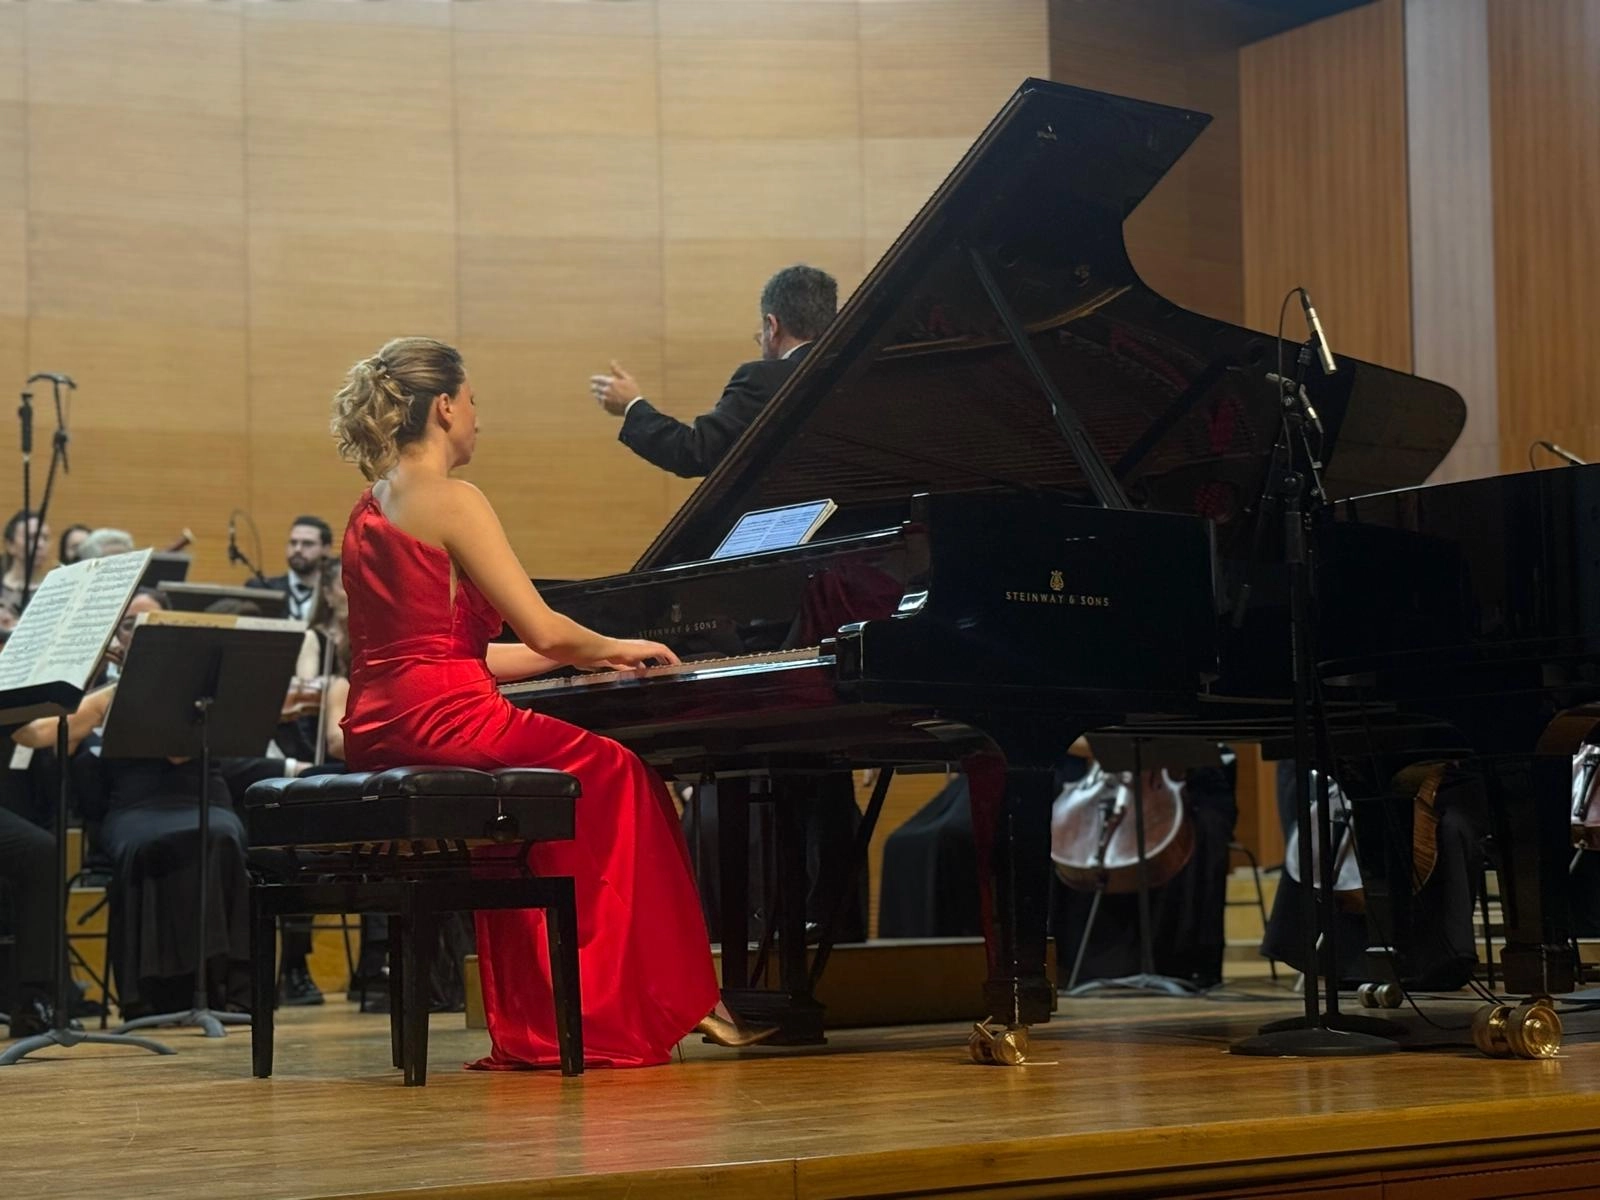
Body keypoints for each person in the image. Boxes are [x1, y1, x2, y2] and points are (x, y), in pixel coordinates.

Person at [331, 336, 767, 1068]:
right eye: (474, 401)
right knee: (622, 775)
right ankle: (663, 1000)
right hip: (448, 722)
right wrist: (614, 644)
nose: (478, 417)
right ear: (444, 407)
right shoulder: (455, 499)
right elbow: (544, 628)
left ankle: (548, 1015)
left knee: (537, 811)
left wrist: (590, 656)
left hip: (381, 725)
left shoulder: (369, 507)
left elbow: (450, 654)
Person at [591, 263, 837, 477]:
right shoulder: (846, 375)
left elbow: (695, 452)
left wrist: (631, 405)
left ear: (772, 326)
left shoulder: (763, 378)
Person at [253, 516, 333, 622]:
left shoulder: (336, 593)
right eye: (293, 543)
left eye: (307, 544)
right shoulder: (262, 589)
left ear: (326, 549)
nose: (297, 549)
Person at [0, 510, 51, 630]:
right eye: (32, 538)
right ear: (10, 545)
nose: (40, 544)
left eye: (45, 538)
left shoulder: (54, 589)